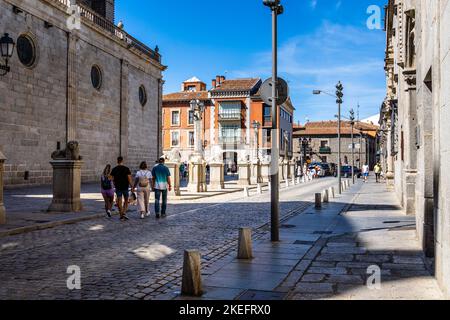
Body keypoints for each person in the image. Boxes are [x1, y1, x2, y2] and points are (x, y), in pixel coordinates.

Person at [110, 156, 133, 221]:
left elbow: (111, 178)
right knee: (126, 201)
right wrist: (132, 186)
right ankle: (124, 213)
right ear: (122, 161)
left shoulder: (114, 169)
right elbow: (129, 178)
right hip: (125, 187)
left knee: (119, 202)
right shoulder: (126, 169)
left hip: (118, 187)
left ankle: (121, 215)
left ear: (117, 161)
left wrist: (114, 182)